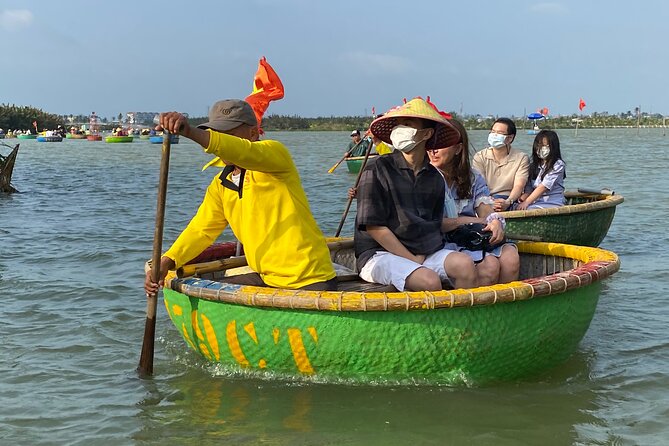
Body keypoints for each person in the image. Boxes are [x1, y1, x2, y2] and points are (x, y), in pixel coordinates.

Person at [144, 99, 336, 297]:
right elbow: (201, 230)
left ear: (253, 133)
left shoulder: (276, 158)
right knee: (210, 293)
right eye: (217, 134)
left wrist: (190, 132)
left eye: (229, 135)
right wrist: (168, 260)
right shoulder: (221, 184)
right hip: (266, 278)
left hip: (309, 279)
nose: (221, 141)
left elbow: (243, 151)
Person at [355, 97, 477, 291]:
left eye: (408, 124)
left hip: (421, 251)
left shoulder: (434, 177)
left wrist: (421, 255)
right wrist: (411, 259)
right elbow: (374, 228)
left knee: (465, 266)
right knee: (429, 281)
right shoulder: (377, 168)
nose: (400, 129)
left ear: (427, 134)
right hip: (378, 253)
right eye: (399, 124)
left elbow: (433, 224)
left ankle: (463, 319)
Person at [427, 118, 520, 285]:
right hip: (442, 241)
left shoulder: (472, 177)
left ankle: (503, 309)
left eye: (441, 144)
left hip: (472, 236)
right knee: (489, 267)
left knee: (511, 259)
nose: (433, 150)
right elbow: (432, 223)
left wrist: (495, 223)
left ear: (458, 149)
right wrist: (467, 221)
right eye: (430, 144)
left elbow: (486, 211)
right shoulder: (425, 178)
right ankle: (477, 310)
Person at [472, 118, 529, 212]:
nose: (494, 135)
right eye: (493, 132)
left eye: (499, 133)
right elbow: (480, 185)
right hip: (485, 199)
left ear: (510, 138)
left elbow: (519, 185)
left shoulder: (521, 158)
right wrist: (490, 201)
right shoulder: (480, 157)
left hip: (510, 199)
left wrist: (508, 202)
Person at [515, 130, 566, 210]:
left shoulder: (558, 164)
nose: (541, 149)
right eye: (539, 145)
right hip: (534, 201)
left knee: (527, 209)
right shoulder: (533, 165)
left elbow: (543, 187)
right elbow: (529, 186)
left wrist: (526, 202)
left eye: (545, 146)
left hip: (552, 202)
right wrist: (524, 197)